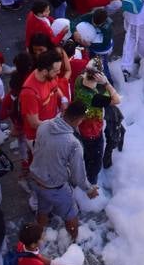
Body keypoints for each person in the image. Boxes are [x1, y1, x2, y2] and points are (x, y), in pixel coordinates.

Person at [29, 101, 99, 239]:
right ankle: (74, 242)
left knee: (42, 209)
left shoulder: (44, 125)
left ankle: (36, 239)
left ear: (65, 111)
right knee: (71, 214)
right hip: (54, 187)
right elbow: (78, 175)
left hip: (35, 180)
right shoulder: (73, 144)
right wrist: (89, 189)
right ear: (79, 120)